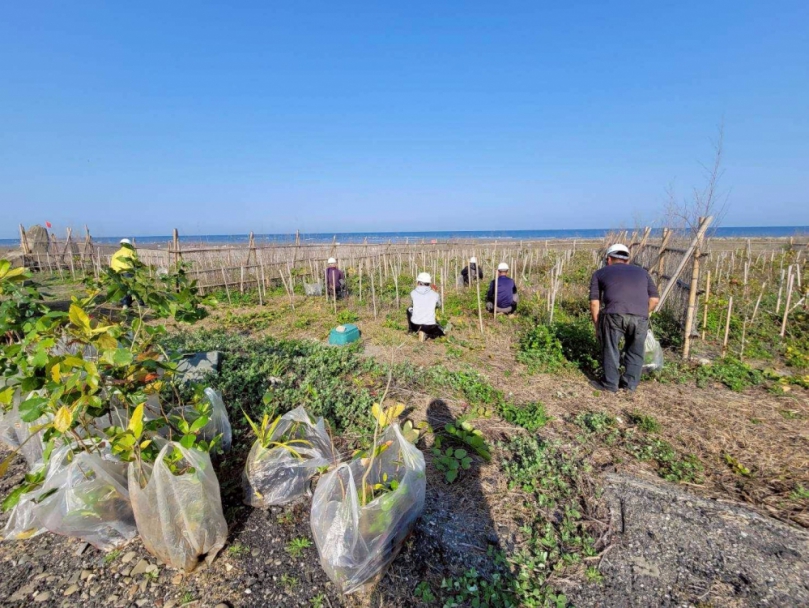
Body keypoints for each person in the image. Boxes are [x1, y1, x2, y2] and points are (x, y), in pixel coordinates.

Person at [589, 243, 660, 393]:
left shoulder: (600, 273)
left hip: (613, 314)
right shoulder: (643, 273)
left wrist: (597, 326)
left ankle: (610, 385)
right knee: (635, 351)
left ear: (608, 259)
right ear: (627, 260)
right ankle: (630, 386)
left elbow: (595, 303)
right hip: (640, 316)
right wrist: (642, 313)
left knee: (611, 348)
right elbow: (654, 300)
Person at [407, 272, 445, 341]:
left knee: (409, 309)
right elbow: (439, 305)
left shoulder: (413, 292)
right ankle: (427, 334)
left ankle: (411, 330)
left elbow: (414, 304)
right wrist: (436, 292)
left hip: (416, 325)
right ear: (429, 283)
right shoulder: (435, 294)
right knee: (441, 333)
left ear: (419, 282)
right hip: (429, 325)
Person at [110, 238, 138, 308]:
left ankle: (117, 302)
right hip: (127, 271)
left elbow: (112, 264)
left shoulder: (116, 253)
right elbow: (136, 261)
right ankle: (125, 304)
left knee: (119, 288)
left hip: (116, 272)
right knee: (130, 288)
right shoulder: (131, 251)